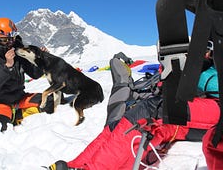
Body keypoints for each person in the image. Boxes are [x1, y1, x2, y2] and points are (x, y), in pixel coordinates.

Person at [48, 49, 220, 170]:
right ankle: (77, 164)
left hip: (218, 106)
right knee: (122, 120)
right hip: (202, 102)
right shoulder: (208, 51)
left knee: (151, 111)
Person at [0, 18, 54, 141]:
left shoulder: (19, 52)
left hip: (18, 97)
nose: (10, 43)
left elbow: (35, 74)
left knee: (50, 102)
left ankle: (16, 115)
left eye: (12, 39)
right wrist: (8, 66)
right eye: (5, 40)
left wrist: (42, 61)